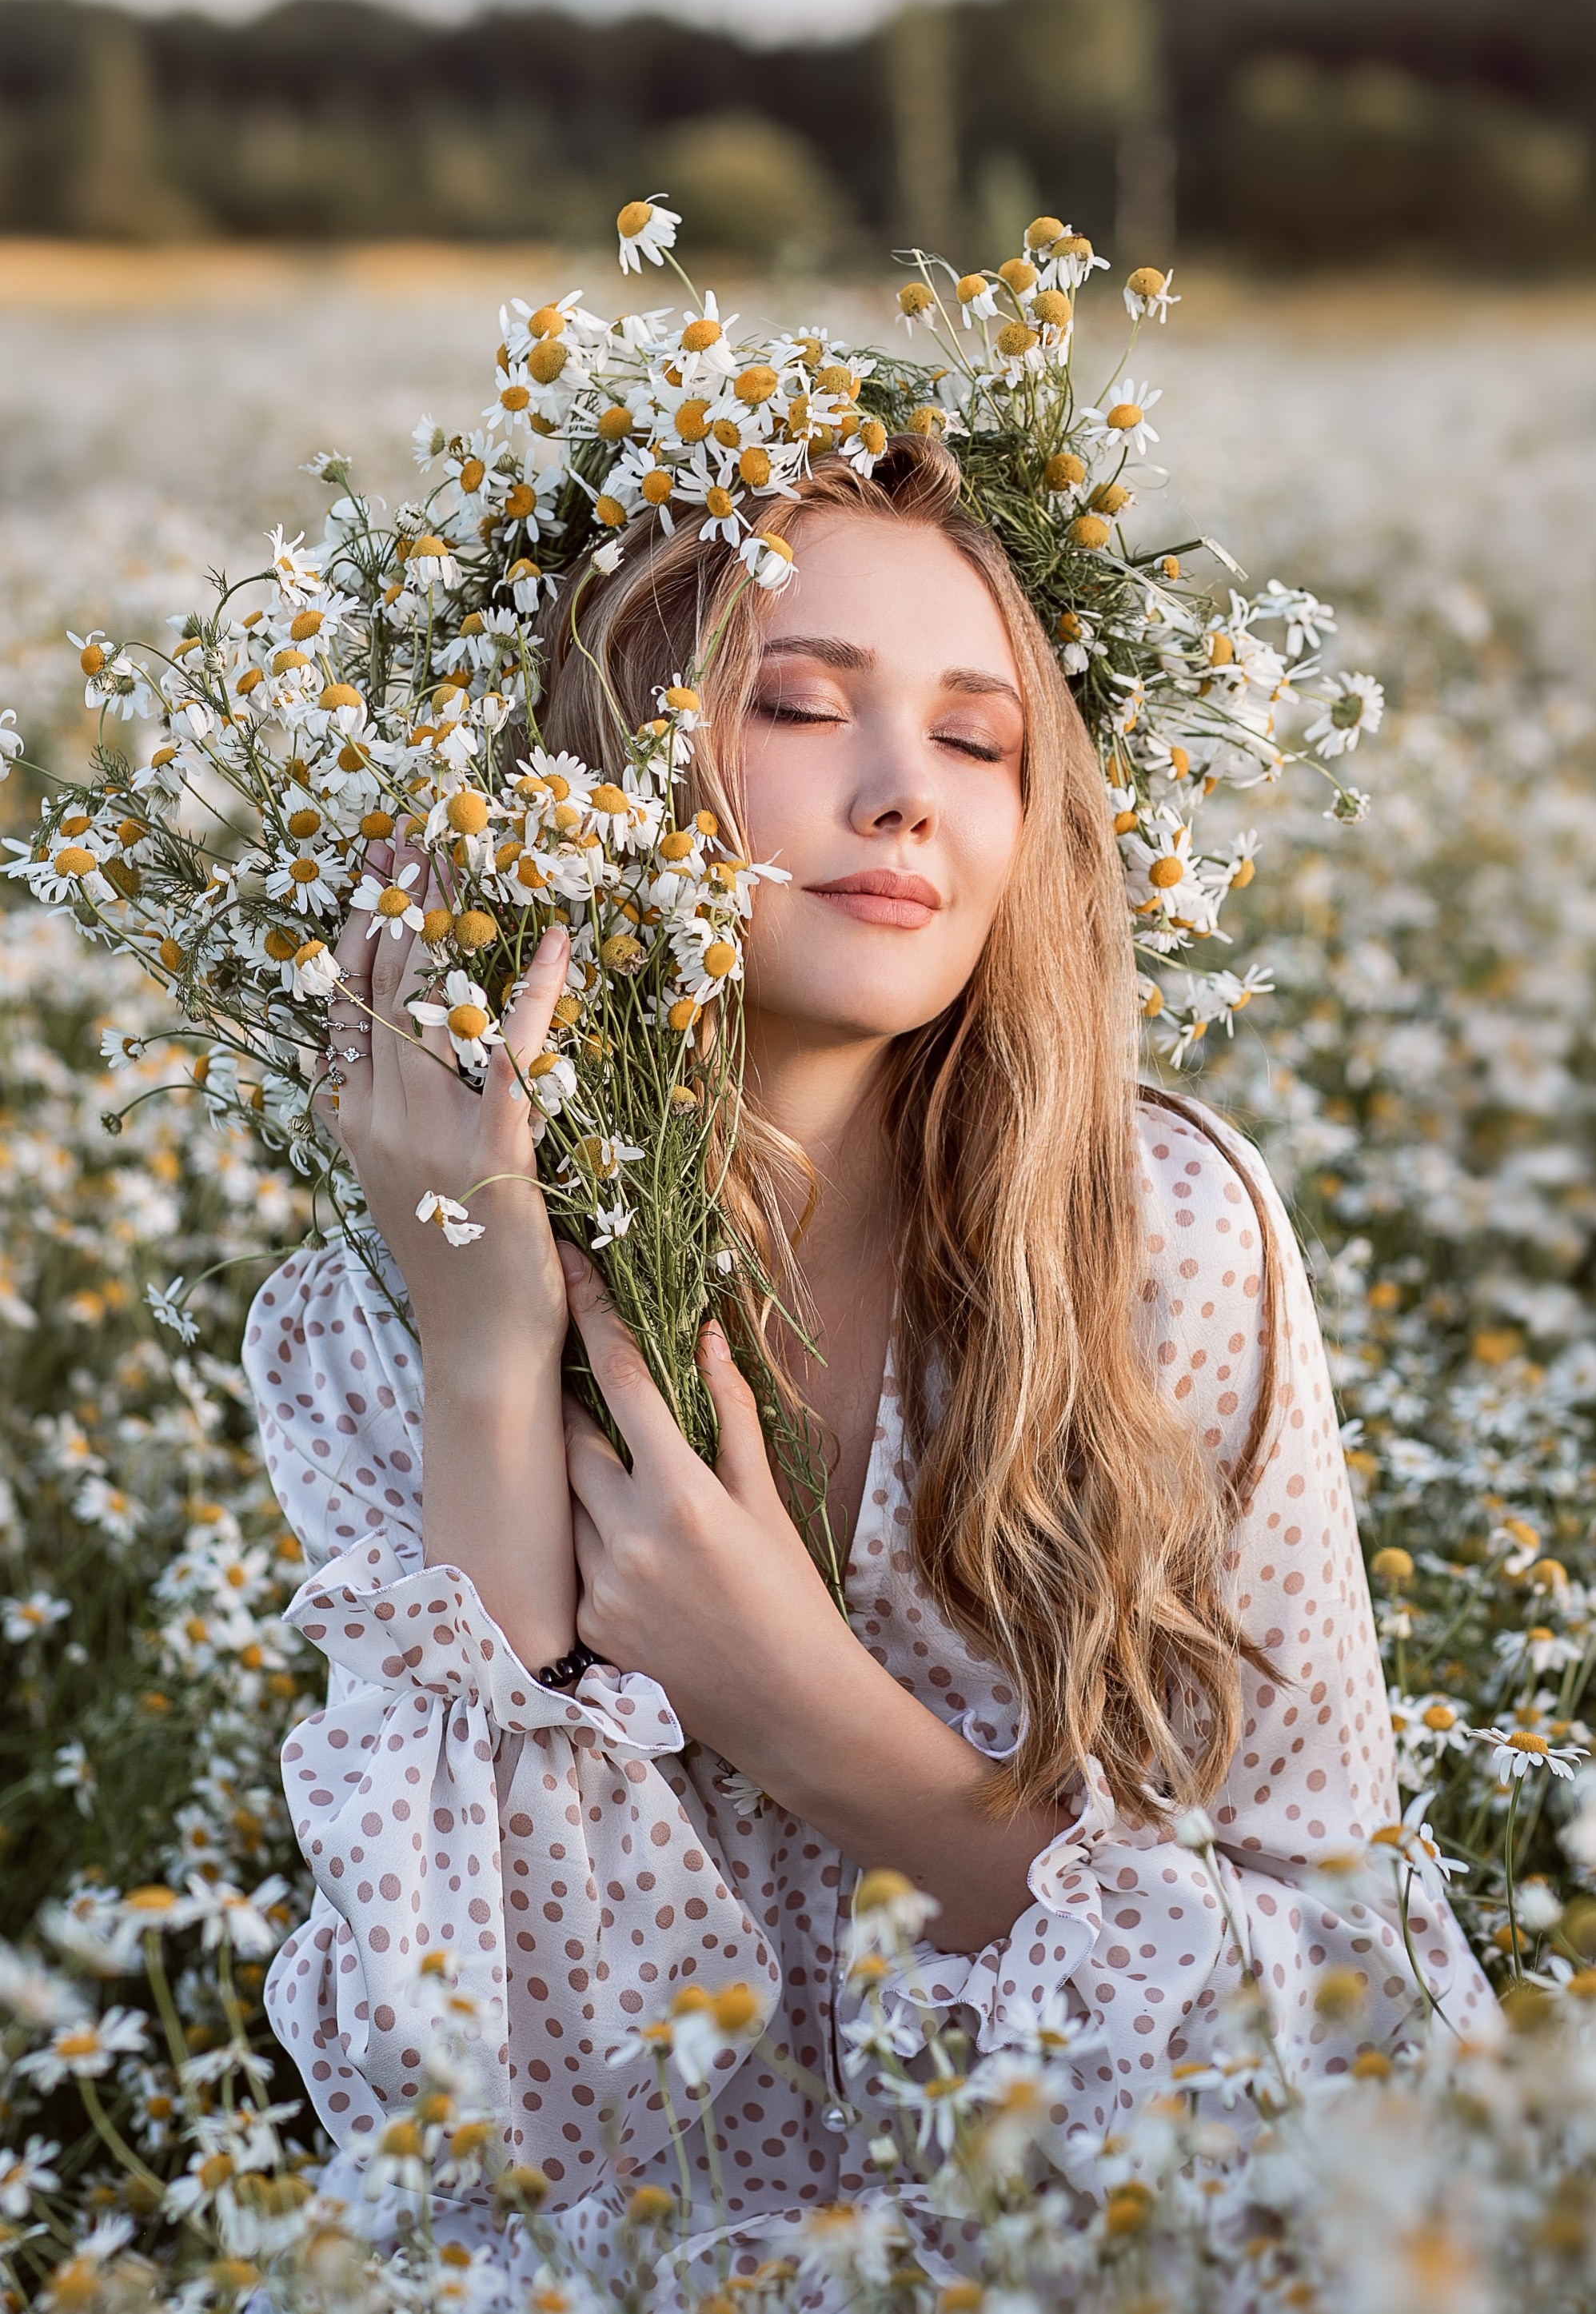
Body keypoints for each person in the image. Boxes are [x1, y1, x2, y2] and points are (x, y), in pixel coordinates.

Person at [245, 435, 1492, 2282]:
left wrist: (805, 1715)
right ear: (590, 779)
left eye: (979, 743)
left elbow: (1346, 2033)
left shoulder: (1156, 1234)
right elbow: (482, 2115)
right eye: (802, 706)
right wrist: (487, 1347)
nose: (906, 794)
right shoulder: (362, 1319)